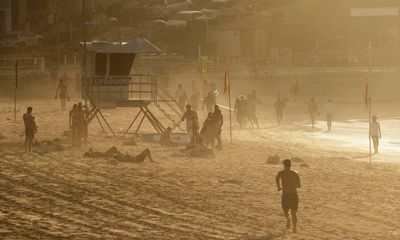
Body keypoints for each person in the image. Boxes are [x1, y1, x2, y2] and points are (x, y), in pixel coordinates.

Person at [276, 159, 301, 233]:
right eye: (285, 166)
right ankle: (288, 220)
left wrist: (291, 184)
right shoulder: (282, 173)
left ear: (289, 165)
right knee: (286, 212)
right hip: (288, 195)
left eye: (287, 165)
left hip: (292, 195)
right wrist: (278, 187)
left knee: (293, 212)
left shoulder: (294, 173)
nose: (286, 167)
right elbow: (277, 178)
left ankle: (294, 227)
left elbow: (299, 185)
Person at [84, 146, 153, 163]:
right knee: (147, 150)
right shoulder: (93, 155)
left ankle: (151, 160)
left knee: (147, 150)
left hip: (136, 158)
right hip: (137, 159)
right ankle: (151, 161)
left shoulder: (92, 154)